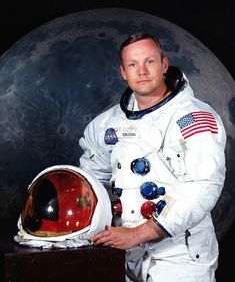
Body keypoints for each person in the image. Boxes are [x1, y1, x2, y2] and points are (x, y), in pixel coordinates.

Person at [79, 32, 226, 281]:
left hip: (181, 257)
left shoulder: (193, 118)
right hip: (126, 255)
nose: (142, 71)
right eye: (133, 64)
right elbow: (90, 185)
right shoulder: (106, 125)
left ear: (164, 65)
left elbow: (203, 188)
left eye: (150, 61)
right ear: (123, 72)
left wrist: (138, 233)